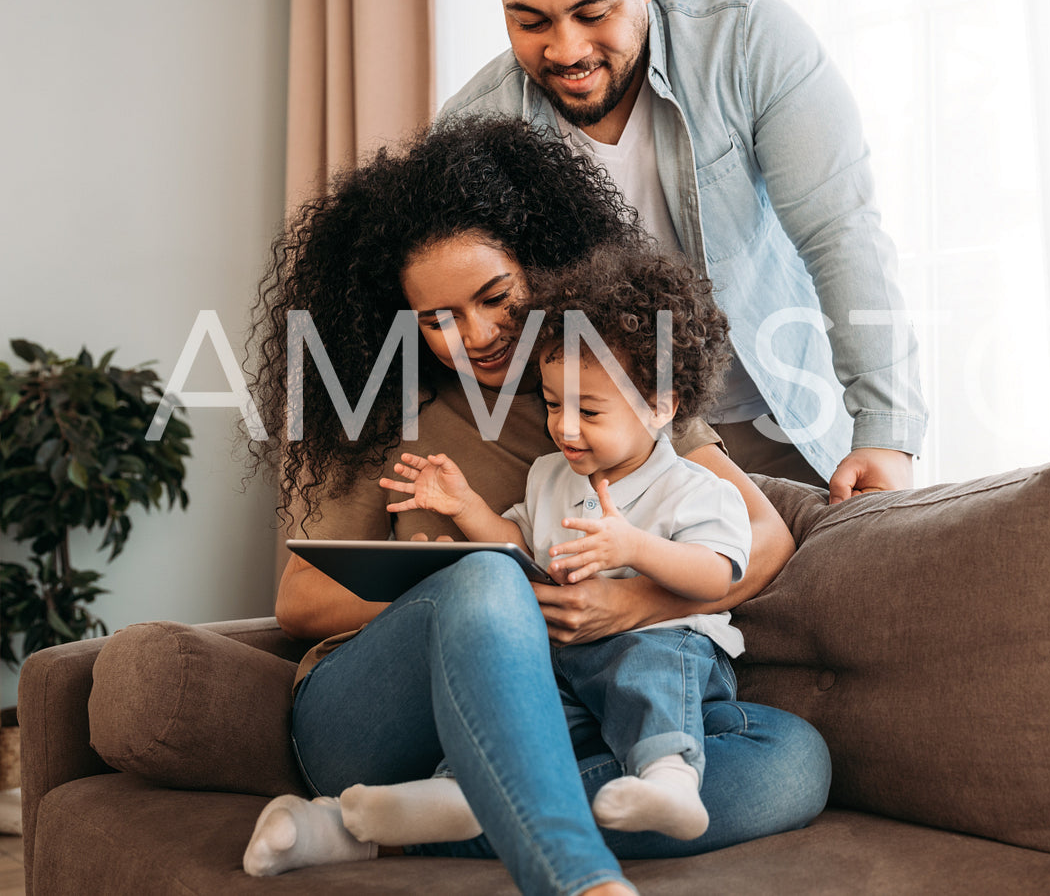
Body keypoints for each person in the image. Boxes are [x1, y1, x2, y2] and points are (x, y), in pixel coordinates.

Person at [237, 115, 830, 895]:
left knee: (788, 760)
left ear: (539, 264)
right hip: (377, 719)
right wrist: (473, 600)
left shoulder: (616, 375)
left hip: (573, 693)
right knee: (485, 575)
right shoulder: (376, 406)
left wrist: (627, 605)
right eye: (438, 319)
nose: (474, 335)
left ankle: (376, 830)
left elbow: (762, 537)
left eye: (494, 297)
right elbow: (301, 599)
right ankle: (574, 875)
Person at [440, 0, 929, 503]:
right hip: (611, 448)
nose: (566, 51)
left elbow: (841, 234)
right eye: (531, 22)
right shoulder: (473, 129)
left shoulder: (747, 39)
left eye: (593, 12)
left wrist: (885, 432)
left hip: (782, 416)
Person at [368, 246, 749, 844]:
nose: (565, 427)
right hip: (570, 659)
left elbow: (717, 577)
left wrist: (633, 548)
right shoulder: (549, 475)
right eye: (552, 404)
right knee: (523, 697)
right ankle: (460, 792)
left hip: (664, 650)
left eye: (589, 411)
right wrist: (465, 507)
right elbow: (517, 543)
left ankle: (670, 779)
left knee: (645, 668)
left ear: (659, 407)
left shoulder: (695, 489)